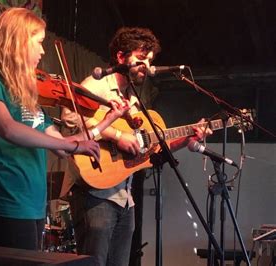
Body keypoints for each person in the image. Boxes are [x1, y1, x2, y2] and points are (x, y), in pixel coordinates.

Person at [0, 8, 128, 251]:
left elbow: (62, 145)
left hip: (32, 205)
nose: (42, 51)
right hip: (6, 202)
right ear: (18, 40)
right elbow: (8, 129)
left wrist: (107, 122)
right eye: (39, 42)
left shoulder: (26, 96)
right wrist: (70, 144)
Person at [61, 27, 212, 265]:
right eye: (141, 59)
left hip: (124, 197)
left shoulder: (132, 97)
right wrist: (116, 135)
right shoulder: (97, 85)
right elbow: (69, 116)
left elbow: (151, 148)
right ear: (121, 57)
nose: (147, 66)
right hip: (95, 193)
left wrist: (187, 138)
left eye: (150, 61)